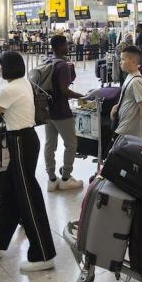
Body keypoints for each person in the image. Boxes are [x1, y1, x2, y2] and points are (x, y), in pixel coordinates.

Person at [0, 51, 57, 272]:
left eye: (0, 66)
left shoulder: (8, 90)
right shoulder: (25, 83)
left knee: (28, 197)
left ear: (7, 68)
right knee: (10, 192)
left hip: (19, 143)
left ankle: (43, 254)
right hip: (28, 139)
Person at [44, 34, 84, 192]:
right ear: (60, 47)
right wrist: (81, 96)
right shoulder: (63, 66)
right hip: (61, 110)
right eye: (66, 45)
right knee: (71, 143)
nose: (68, 47)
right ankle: (66, 178)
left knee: (50, 145)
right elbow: (64, 90)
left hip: (47, 111)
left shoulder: (48, 62)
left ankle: (52, 180)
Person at [111, 45, 142, 141]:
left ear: (133, 61)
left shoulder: (136, 81)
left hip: (127, 131)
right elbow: (128, 97)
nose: (120, 62)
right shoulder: (130, 76)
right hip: (123, 126)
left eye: (123, 59)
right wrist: (117, 106)